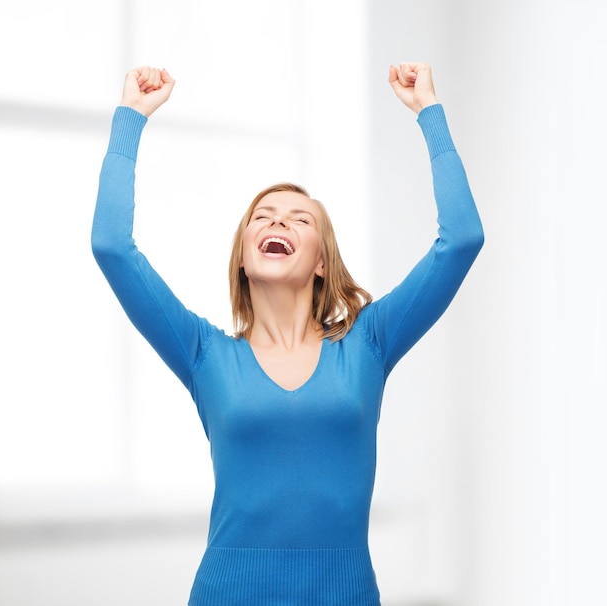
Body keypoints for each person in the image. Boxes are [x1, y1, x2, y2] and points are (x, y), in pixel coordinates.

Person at [92, 62, 484, 606]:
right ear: (243, 259)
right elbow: (112, 246)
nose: (277, 223)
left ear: (322, 261)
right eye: (263, 216)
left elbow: (462, 238)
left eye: (300, 219)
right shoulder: (205, 354)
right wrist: (130, 118)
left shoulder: (368, 345)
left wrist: (430, 114)